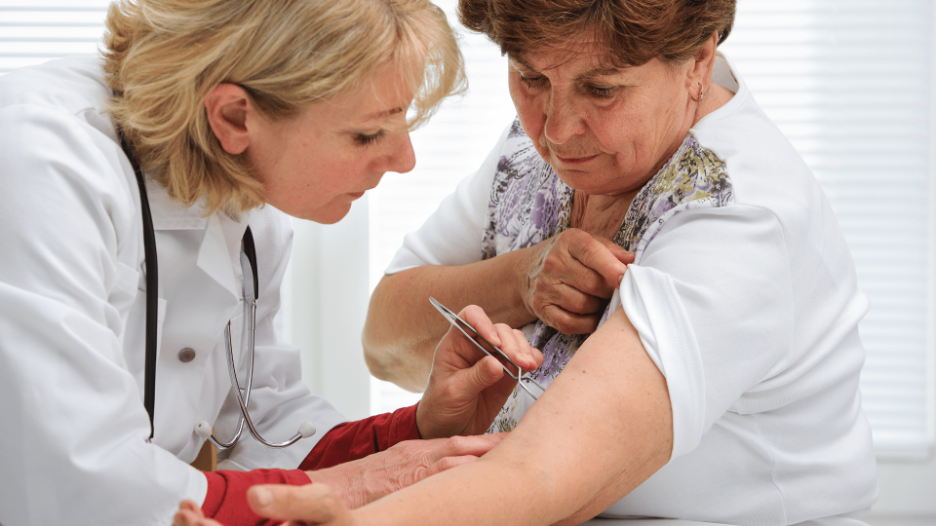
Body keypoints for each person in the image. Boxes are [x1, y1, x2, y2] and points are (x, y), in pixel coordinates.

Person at [177, 0, 880, 524]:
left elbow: (551, 479)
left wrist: (355, 518)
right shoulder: (551, 143)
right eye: (530, 77)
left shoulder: (738, 213)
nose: (556, 128)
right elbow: (384, 339)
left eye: (603, 90)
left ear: (699, 61)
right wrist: (521, 277)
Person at [0, 0, 544, 525]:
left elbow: (268, 430)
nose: (405, 161)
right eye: (366, 133)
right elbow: (77, 484)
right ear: (235, 116)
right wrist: (354, 486)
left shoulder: (248, 196)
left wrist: (419, 428)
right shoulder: (38, 165)